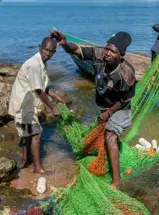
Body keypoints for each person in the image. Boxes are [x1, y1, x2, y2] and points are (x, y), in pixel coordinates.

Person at [50, 29, 136, 188]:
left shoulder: (127, 74)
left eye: (113, 51)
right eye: (107, 48)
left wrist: (109, 112)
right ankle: (109, 154)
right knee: (102, 137)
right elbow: (76, 50)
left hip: (119, 108)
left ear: (121, 55)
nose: (108, 53)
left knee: (110, 136)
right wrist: (63, 43)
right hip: (102, 106)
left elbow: (124, 101)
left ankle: (116, 180)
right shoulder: (99, 54)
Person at [8, 36, 66, 173]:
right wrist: (53, 107)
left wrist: (55, 96)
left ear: (54, 52)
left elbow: (41, 86)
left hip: (27, 102)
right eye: (46, 49)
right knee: (36, 134)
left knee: (29, 133)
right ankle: (37, 167)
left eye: (51, 51)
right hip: (24, 104)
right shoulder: (34, 65)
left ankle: (25, 160)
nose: (48, 53)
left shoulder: (42, 62)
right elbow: (39, 91)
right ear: (40, 47)